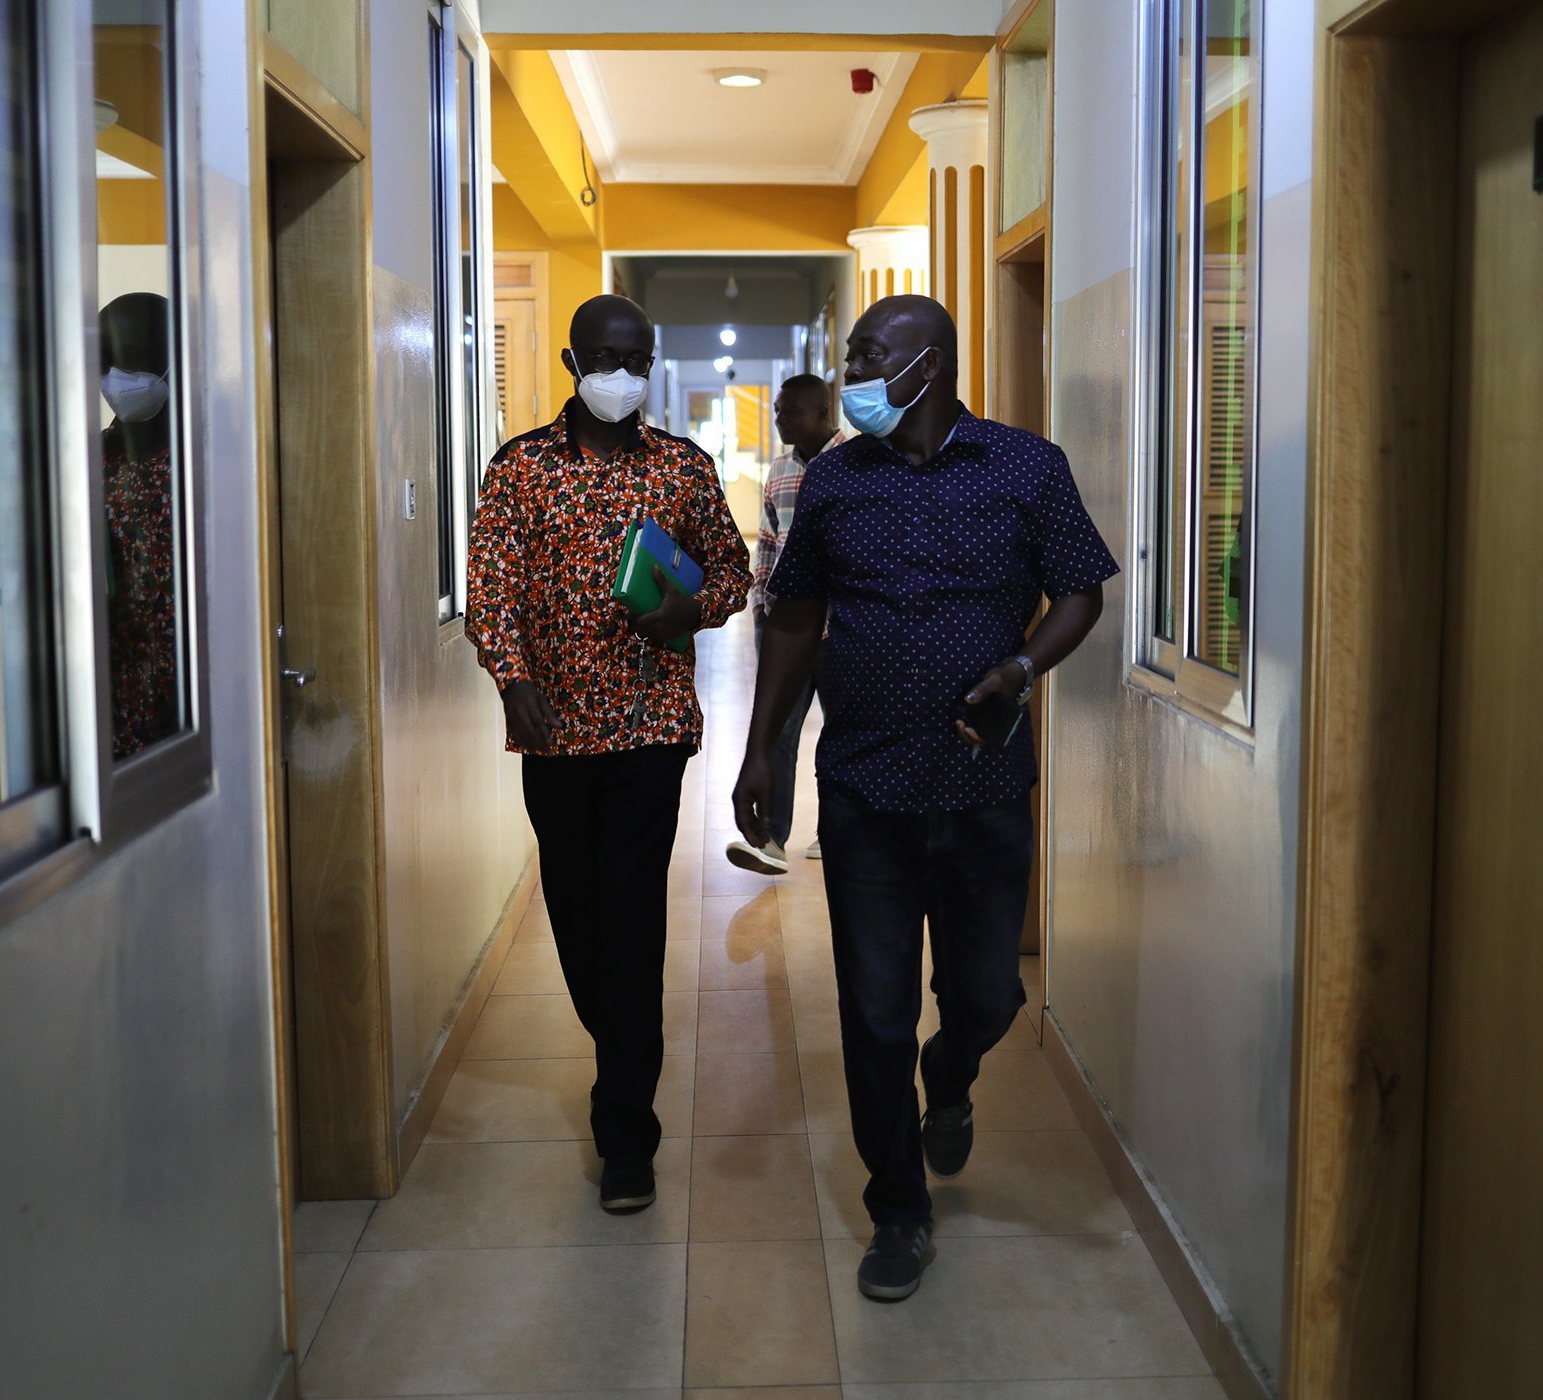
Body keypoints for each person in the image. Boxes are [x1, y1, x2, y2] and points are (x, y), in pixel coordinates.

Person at [733, 295, 1119, 1300]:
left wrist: (1023, 669)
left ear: (930, 362)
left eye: (869, 351)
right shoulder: (831, 481)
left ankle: (952, 1075)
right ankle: (897, 1210)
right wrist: (761, 751)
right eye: (854, 350)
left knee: (988, 996)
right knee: (872, 1014)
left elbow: (1082, 589)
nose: (853, 365)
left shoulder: (1025, 466)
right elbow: (795, 617)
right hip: (864, 785)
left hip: (985, 788)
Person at [469, 294, 749, 1213]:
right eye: (604, 356)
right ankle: (615, 1037)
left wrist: (692, 610)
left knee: (631, 921)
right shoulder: (519, 470)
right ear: (570, 359)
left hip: (649, 729)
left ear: (652, 362)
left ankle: (627, 1128)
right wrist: (514, 680)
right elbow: (491, 589)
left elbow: (733, 570)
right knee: (578, 918)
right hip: (553, 733)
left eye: (637, 357)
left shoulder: (682, 467)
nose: (620, 374)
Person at [724, 373, 841, 876]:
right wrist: (761, 612)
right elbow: (767, 546)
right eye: (776, 410)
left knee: (842, 735)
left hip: (841, 631)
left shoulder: (857, 463)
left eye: (788, 411)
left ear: (820, 411)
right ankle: (770, 837)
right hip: (789, 630)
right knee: (779, 734)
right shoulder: (779, 471)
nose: (778, 418)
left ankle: (837, 831)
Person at [98, 292, 180, 758]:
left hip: (189, 691)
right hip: (112, 686)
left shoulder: (207, 459)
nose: (113, 378)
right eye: (105, 362)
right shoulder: (86, 460)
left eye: (124, 360)